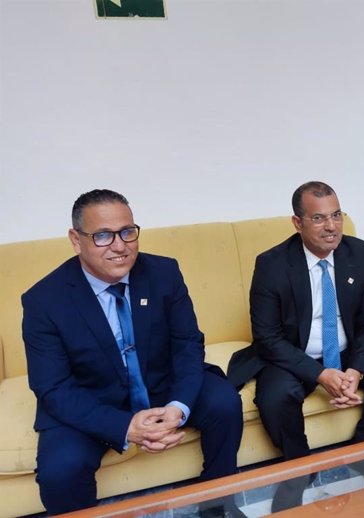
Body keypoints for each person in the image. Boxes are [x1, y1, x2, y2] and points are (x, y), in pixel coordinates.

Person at [22, 189, 244, 516]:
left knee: (224, 403)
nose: (119, 245)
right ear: (75, 239)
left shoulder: (164, 273)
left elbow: (187, 344)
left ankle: (216, 506)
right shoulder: (44, 300)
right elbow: (52, 387)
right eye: (102, 235)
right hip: (93, 399)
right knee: (60, 471)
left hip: (161, 383)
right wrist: (127, 427)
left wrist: (177, 407)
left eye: (127, 231)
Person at [227, 181, 364, 510]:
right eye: (319, 218)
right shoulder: (271, 265)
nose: (331, 226)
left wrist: (355, 369)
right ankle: (300, 465)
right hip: (295, 353)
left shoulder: (359, 253)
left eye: (336, 215)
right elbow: (268, 337)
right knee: (275, 395)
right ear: (298, 223)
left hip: (347, 347)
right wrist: (320, 374)